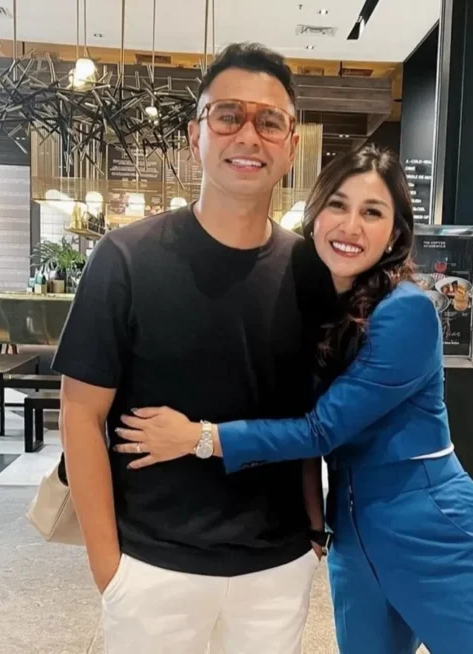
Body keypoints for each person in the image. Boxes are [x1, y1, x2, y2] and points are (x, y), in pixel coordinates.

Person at [112, 146, 473, 654]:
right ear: (315, 213)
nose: (350, 226)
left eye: (371, 212)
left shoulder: (406, 312)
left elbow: (320, 429)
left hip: (426, 523)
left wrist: (199, 438)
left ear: (395, 233)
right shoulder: (324, 304)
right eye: (338, 205)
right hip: (351, 529)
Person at [52, 43, 333, 654]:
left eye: (270, 121)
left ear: (291, 145)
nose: (248, 136)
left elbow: (314, 416)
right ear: (195, 135)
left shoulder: (311, 271)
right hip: (152, 565)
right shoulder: (125, 258)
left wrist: (314, 532)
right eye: (228, 115)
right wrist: (110, 569)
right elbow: (80, 413)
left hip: (276, 567)